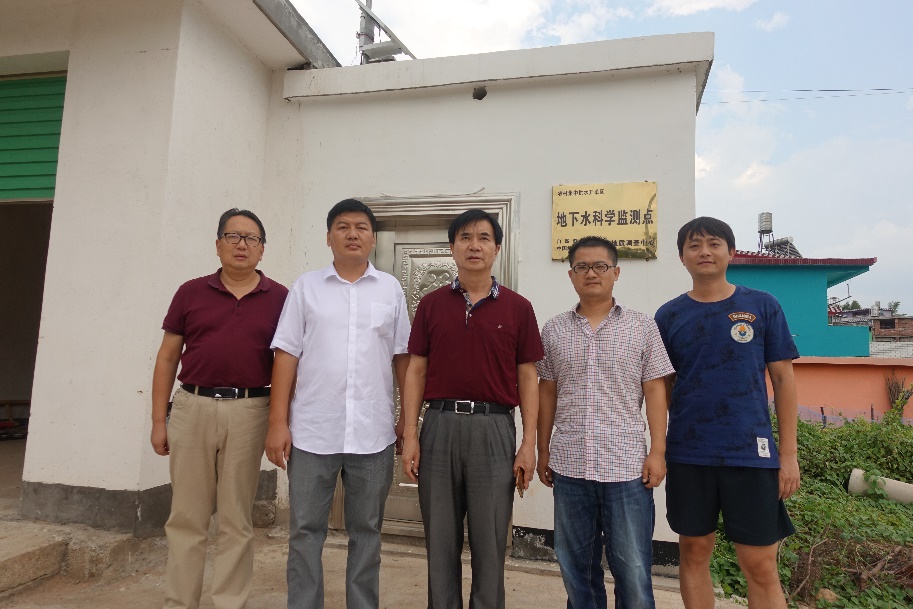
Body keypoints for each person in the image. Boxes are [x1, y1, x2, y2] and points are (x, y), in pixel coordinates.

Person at [265, 199, 410, 609]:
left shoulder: (390, 289)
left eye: (361, 227)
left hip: (372, 433)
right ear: (329, 237)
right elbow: (286, 354)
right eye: (342, 227)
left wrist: (406, 418)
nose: (352, 234)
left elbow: (403, 357)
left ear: (373, 238)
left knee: (367, 531)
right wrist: (278, 422)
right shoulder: (306, 287)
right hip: (313, 432)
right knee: (305, 531)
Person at [400, 209, 544, 609]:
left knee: (490, 539)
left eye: (483, 237)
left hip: (493, 429)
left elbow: (528, 376)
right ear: (452, 247)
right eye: (465, 237)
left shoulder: (518, 308)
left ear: (497, 249)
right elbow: (416, 370)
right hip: (440, 425)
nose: (474, 245)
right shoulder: (431, 305)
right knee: (439, 539)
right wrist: (410, 435)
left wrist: (528, 444)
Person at [654, 217, 800, 609]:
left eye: (714, 244)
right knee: (693, 552)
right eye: (694, 245)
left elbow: (784, 380)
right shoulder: (668, 316)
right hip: (689, 454)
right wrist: (660, 447)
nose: (704, 251)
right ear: (681, 257)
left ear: (731, 252)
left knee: (760, 564)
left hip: (752, 454)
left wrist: (788, 455)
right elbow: (661, 387)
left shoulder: (762, 305)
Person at [151, 208, 288, 609]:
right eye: (233, 236)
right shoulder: (190, 292)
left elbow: (287, 363)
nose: (242, 245)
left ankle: (230, 602)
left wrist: (280, 421)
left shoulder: (281, 298)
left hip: (250, 411)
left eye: (251, 238)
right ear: (217, 244)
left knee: (235, 518)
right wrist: (159, 420)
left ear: (262, 249)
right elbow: (167, 357)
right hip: (192, 407)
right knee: (186, 517)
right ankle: (180, 602)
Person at [537, 236, 674, 609]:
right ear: (571, 275)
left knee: (633, 571)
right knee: (576, 569)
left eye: (600, 266)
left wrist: (658, 451)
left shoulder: (642, 327)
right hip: (570, 466)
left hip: (626, 469)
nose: (591, 273)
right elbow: (547, 392)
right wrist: (542, 450)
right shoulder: (554, 329)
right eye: (582, 267)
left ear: (616, 272)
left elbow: (655, 391)